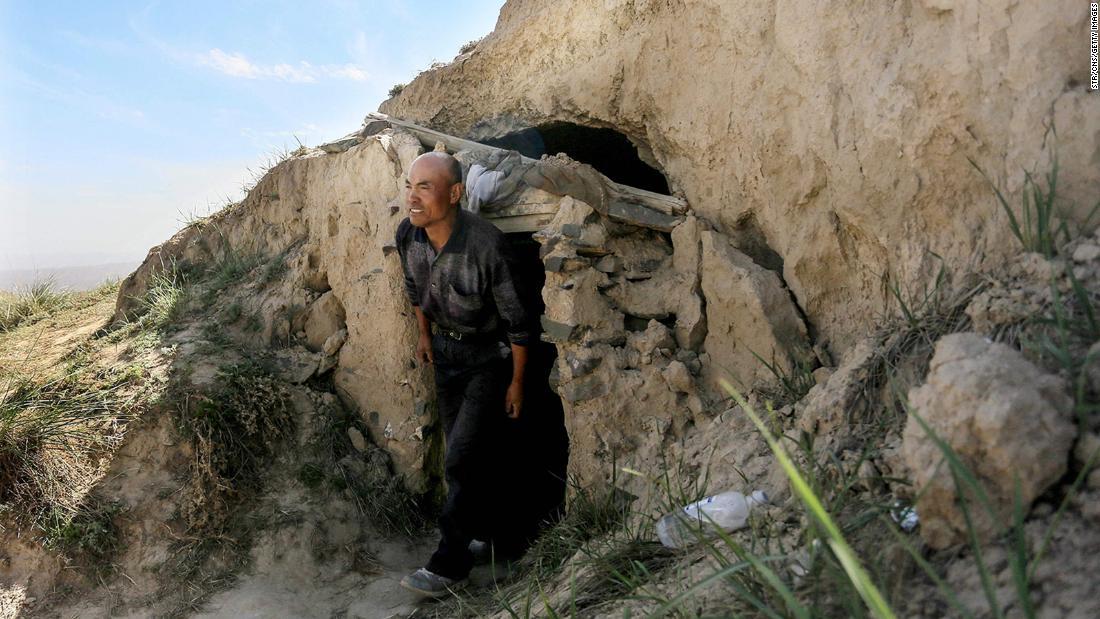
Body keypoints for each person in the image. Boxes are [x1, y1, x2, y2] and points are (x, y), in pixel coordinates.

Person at [395, 151, 534, 598]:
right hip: (445, 354)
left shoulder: (486, 244)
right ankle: (497, 539)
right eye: (410, 186)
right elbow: (416, 291)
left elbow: (519, 321)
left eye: (425, 187)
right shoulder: (409, 236)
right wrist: (423, 335)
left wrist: (516, 382)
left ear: (455, 193)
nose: (413, 198)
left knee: (460, 457)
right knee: (469, 453)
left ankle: (448, 565)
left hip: (487, 360)